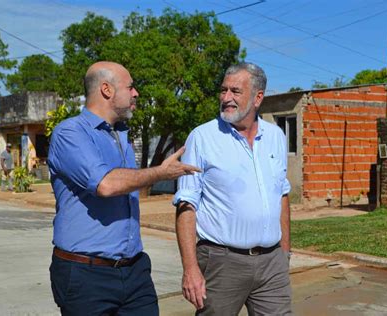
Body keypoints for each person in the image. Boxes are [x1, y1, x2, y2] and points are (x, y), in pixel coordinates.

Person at [47, 61, 200, 316]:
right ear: (106, 90)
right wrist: (161, 173)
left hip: (134, 271)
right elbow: (105, 184)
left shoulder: (121, 135)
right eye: (130, 87)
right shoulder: (70, 133)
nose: (136, 93)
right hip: (86, 274)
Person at [174, 62, 292, 315]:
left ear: (258, 97)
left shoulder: (276, 136)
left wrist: (285, 253)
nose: (226, 98)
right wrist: (190, 269)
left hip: (272, 263)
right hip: (222, 261)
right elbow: (186, 203)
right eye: (223, 90)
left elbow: (282, 194)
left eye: (235, 91)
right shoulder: (202, 137)